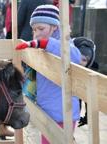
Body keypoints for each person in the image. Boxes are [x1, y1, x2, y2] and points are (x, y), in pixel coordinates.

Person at [15, 5, 81, 144]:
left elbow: (76, 57)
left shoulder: (64, 43)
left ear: (55, 27)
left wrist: (46, 43)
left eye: (41, 29)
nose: (37, 33)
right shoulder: (42, 46)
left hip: (62, 113)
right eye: (34, 30)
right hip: (47, 110)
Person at [73, 37, 99, 127]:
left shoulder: (89, 71)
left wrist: (88, 116)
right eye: (78, 58)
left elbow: (89, 97)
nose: (80, 62)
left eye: (84, 60)